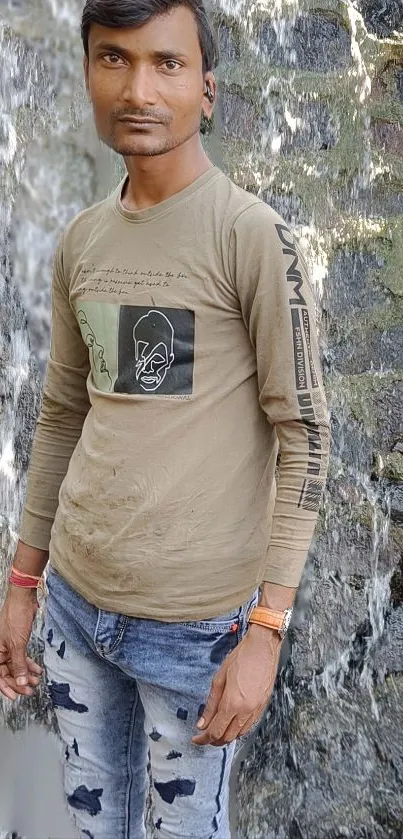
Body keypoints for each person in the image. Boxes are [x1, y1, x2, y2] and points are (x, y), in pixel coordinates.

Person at [0, 0, 330, 836]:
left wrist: (265, 632)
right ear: (87, 75)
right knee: (94, 825)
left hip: (195, 631)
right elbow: (63, 411)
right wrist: (24, 580)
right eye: (114, 59)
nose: (138, 87)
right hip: (76, 609)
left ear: (207, 91)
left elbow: (305, 436)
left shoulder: (253, 238)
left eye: (166, 63)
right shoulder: (82, 239)